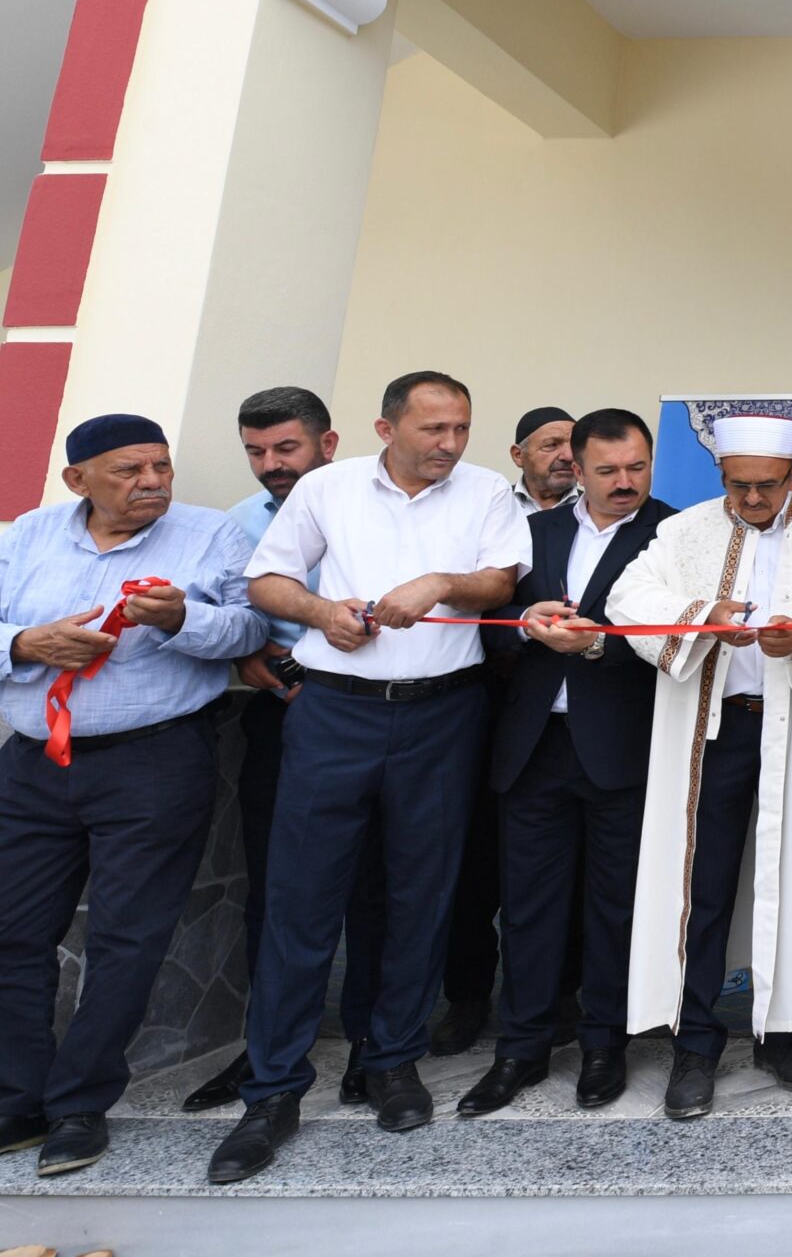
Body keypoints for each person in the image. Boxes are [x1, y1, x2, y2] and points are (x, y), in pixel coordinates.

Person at [208, 372, 532, 1184]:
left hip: (442, 716)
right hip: (335, 714)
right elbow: (268, 580)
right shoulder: (328, 487)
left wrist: (440, 583)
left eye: (460, 428)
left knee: (420, 894)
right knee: (302, 898)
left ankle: (390, 1061)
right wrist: (323, 614)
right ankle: (272, 1089)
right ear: (386, 430)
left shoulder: (487, 492)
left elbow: (501, 581)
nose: (449, 444)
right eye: (432, 429)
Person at [0, 416, 267, 1178]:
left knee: (126, 941)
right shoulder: (29, 534)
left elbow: (250, 631)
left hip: (153, 763)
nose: (152, 482)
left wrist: (184, 619)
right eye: (128, 471)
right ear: (77, 479)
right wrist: (24, 643)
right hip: (33, 764)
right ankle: (17, 1099)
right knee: (13, 934)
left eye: (161, 467)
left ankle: (80, 1105)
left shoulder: (210, 535)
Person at [608, 413, 792, 1121]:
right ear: (721, 476)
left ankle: (784, 1034)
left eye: (767, 485)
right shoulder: (684, 532)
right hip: (713, 734)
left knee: (790, 882)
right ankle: (696, 1046)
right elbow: (628, 599)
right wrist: (703, 615)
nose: (753, 499)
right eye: (739, 486)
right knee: (702, 889)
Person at [456, 409, 675, 1118]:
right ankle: (520, 1048)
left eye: (637, 467)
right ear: (576, 470)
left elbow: (677, 640)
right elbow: (486, 630)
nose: (625, 482)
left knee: (613, 907)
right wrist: (525, 627)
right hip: (534, 748)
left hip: (623, 749)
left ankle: (604, 1045)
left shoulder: (672, 533)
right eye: (607, 470)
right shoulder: (531, 532)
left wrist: (596, 644)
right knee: (527, 907)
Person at [184, 388, 391, 1117]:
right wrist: (246, 660)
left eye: (286, 448)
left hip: (368, 717)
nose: (271, 464)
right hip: (279, 721)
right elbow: (225, 616)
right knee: (277, 889)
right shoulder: (236, 525)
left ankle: (371, 1043)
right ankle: (267, 1045)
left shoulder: (374, 506)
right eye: (256, 451)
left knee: (373, 885)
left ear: (327, 444)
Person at [436, 404, 581, 1057]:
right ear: (518, 455)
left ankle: (560, 995)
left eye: (573, 444)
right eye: (550, 445)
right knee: (472, 863)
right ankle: (467, 997)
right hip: (480, 704)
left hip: (558, 715)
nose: (565, 456)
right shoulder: (486, 509)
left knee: (560, 867)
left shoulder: (597, 517)